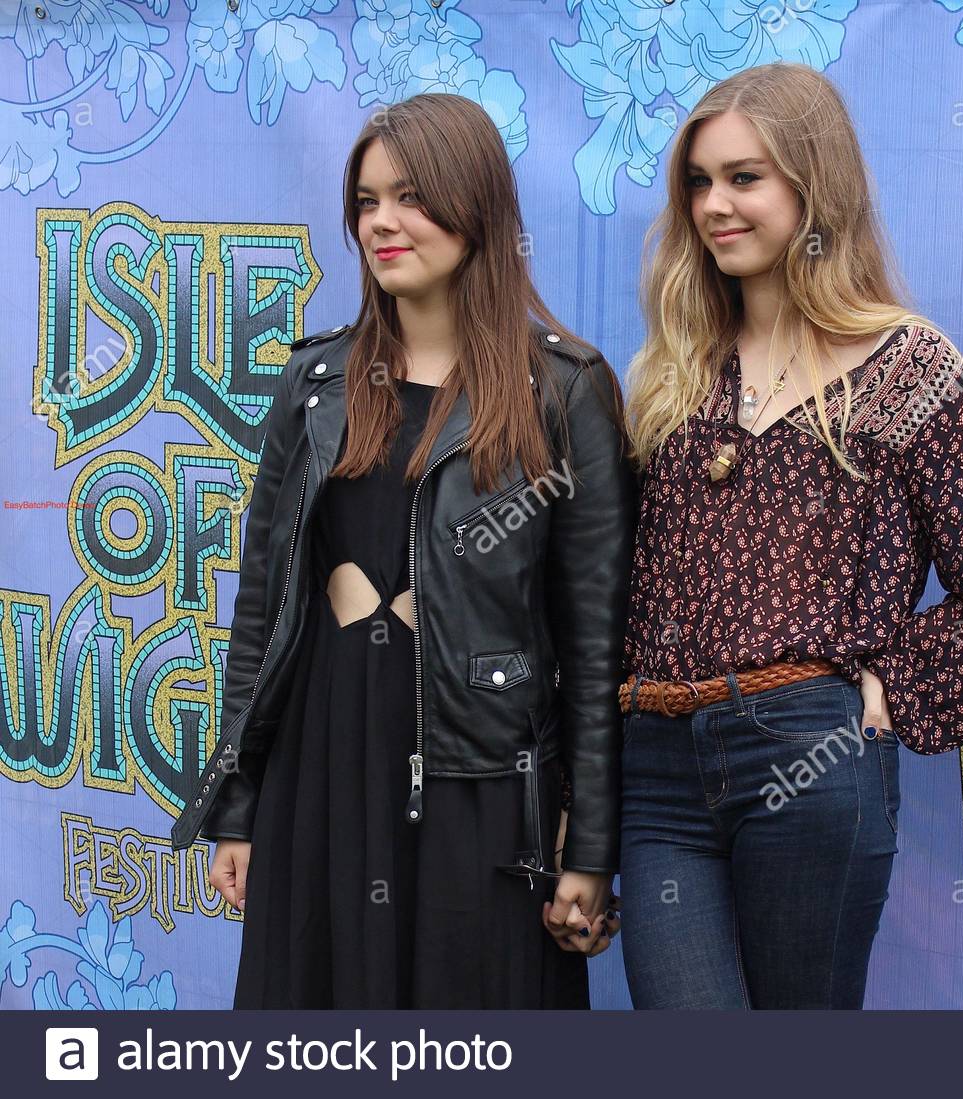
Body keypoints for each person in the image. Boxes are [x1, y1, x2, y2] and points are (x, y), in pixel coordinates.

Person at [617, 62, 963, 1009]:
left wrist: (897, 685)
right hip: (657, 773)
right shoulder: (674, 372)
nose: (714, 204)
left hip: (805, 755)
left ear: (816, 187)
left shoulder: (903, 365)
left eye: (744, 177)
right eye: (698, 180)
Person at [173, 93, 636, 1008]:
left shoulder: (565, 391)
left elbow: (594, 646)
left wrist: (588, 843)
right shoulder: (317, 383)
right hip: (326, 758)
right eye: (366, 200)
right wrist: (240, 804)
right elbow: (262, 608)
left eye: (411, 196)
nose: (382, 222)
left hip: (480, 775)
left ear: (476, 207)